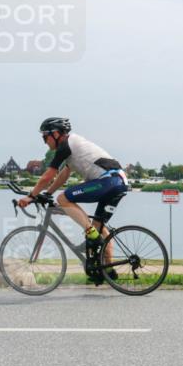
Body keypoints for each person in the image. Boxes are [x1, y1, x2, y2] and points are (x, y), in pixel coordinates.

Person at [18, 117, 129, 276]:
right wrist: (47, 193)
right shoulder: (74, 146)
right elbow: (63, 175)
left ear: (56, 134)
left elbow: (49, 175)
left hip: (109, 181)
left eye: (45, 137)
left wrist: (30, 196)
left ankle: (91, 234)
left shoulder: (66, 145)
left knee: (63, 199)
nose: (44, 142)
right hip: (118, 183)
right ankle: (107, 270)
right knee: (99, 228)